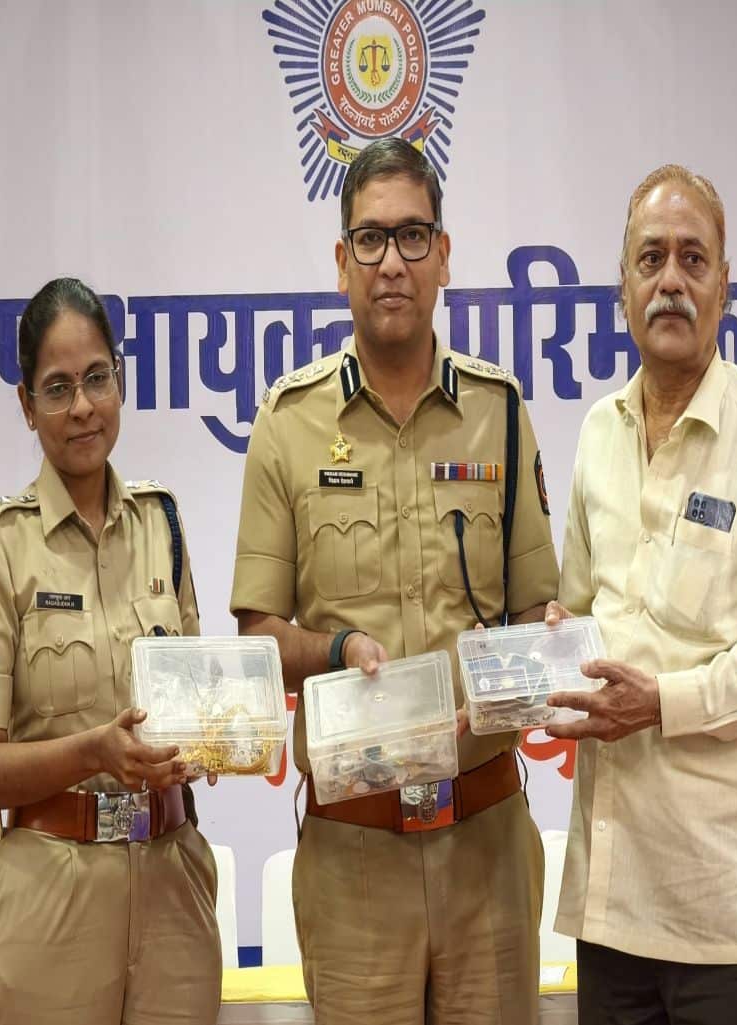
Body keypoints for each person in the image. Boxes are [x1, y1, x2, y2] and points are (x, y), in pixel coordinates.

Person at [231, 138, 559, 1024]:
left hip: (488, 841)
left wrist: (533, 662)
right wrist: (336, 647)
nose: (392, 263)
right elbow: (258, 639)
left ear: (444, 256)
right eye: (370, 239)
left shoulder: (499, 411)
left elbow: (539, 609)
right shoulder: (288, 422)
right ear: (341, 262)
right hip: (355, 858)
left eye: (413, 236)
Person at [545, 165, 737, 1025]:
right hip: (612, 904)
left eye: (693, 259)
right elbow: (576, 612)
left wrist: (662, 702)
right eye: (651, 258)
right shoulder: (598, 432)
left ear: (724, 287)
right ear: (623, 288)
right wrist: (550, 647)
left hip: (726, 913)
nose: (671, 279)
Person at [0, 277, 222, 1025]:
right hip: (50, 899)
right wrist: (95, 751)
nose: (82, 406)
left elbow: (195, 703)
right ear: (25, 403)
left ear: (120, 380)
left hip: (172, 887)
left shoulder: (162, 521)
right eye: (58, 387)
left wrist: (217, 740)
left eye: (98, 377)